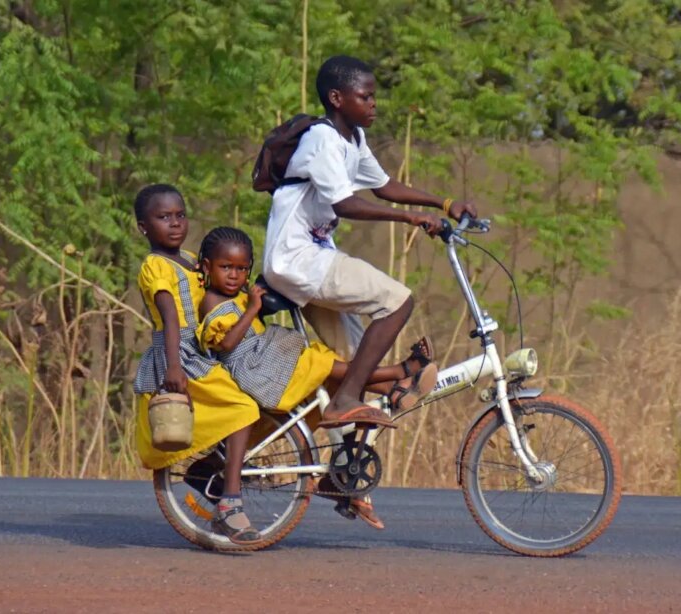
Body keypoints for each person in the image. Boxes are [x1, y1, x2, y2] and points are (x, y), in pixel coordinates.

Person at [262, 55, 478, 432]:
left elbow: (384, 186)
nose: (374, 103)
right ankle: (355, 397)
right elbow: (344, 204)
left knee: (353, 360)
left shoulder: (353, 138)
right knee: (397, 301)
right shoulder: (322, 139)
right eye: (365, 96)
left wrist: (443, 204)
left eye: (373, 96)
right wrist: (410, 218)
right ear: (337, 98)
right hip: (297, 258)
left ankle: (353, 438)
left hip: (312, 258)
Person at [131, 184, 262, 545]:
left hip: (201, 347)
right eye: (163, 217)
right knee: (242, 409)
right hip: (180, 354)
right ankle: (230, 504)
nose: (175, 223)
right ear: (143, 227)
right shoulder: (155, 266)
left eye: (180, 215)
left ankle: (211, 471)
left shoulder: (191, 258)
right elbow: (170, 317)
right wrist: (174, 367)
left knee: (252, 399)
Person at [196, 226, 437, 414]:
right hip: (256, 371)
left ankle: (390, 388)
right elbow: (227, 344)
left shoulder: (239, 295)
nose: (234, 275)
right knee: (324, 364)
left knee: (328, 360)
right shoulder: (212, 301)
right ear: (207, 267)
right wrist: (252, 309)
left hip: (266, 360)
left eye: (241, 269)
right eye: (226, 267)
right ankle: (400, 371)